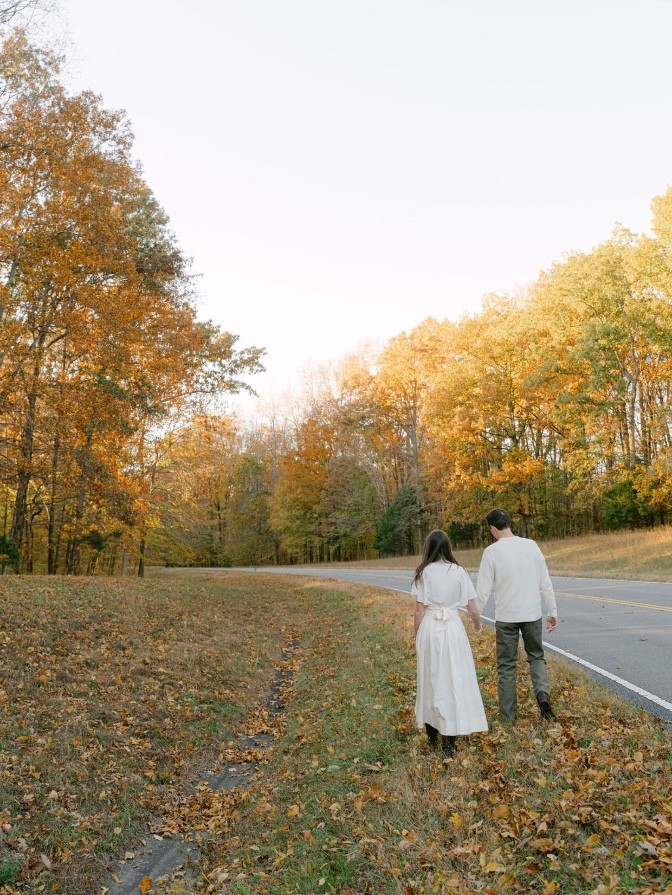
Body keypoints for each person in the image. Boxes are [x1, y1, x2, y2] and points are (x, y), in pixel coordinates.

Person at [475, 508, 559, 724]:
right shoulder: (531, 546)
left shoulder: (491, 552)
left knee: (506, 666)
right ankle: (542, 695)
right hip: (532, 614)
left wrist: (476, 617)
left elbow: (483, 590)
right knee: (536, 657)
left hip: (506, 617)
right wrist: (552, 611)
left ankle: (508, 718)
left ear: (493, 529)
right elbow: (545, 582)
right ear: (508, 524)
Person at [413, 529, 488, 756]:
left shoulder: (423, 573)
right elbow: (472, 608)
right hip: (453, 629)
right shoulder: (459, 571)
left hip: (430, 628)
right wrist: (477, 625)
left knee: (430, 678)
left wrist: (417, 636)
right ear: (448, 547)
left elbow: (419, 610)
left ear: (428, 548)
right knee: (453, 678)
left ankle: (432, 735)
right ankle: (449, 739)